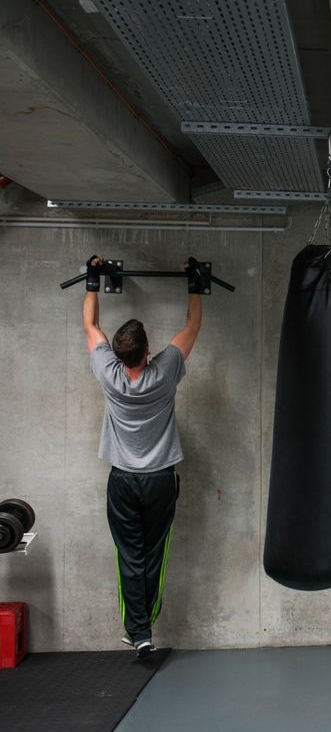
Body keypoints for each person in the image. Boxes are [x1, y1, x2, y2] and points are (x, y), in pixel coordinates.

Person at [82, 255, 203, 659]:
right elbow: (191, 327)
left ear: (119, 355)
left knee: (130, 556)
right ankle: (142, 627)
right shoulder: (165, 371)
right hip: (159, 481)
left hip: (122, 482)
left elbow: (90, 326)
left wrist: (92, 280)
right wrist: (194, 283)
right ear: (148, 350)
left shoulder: (107, 372)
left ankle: (139, 632)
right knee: (154, 553)